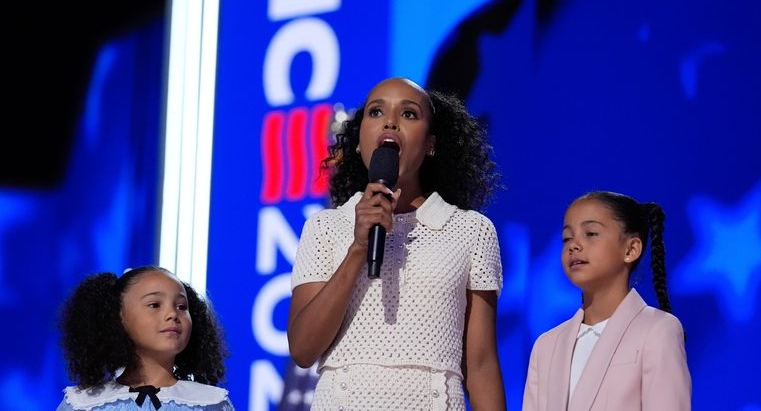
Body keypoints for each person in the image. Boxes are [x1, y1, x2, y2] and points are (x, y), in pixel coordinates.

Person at [288, 77, 506, 411]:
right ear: (359, 142)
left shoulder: (471, 231)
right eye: (376, 112)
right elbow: (303, 349)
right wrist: (358, 248)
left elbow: (480, 364)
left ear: (431, 143)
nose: (390, 121)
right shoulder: (325, 227)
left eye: (409, 114)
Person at [522, 191, 691, 411]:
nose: (574, 245)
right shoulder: (546, 345)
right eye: (567, 238)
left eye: (591, 233)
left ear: (631, 249)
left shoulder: (658, 330)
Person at [56, 266, 235, 411]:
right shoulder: (84, 404)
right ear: (117, 318)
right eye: (154, 305)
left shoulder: (210, 404)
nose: (172, 313)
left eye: (181, 306)